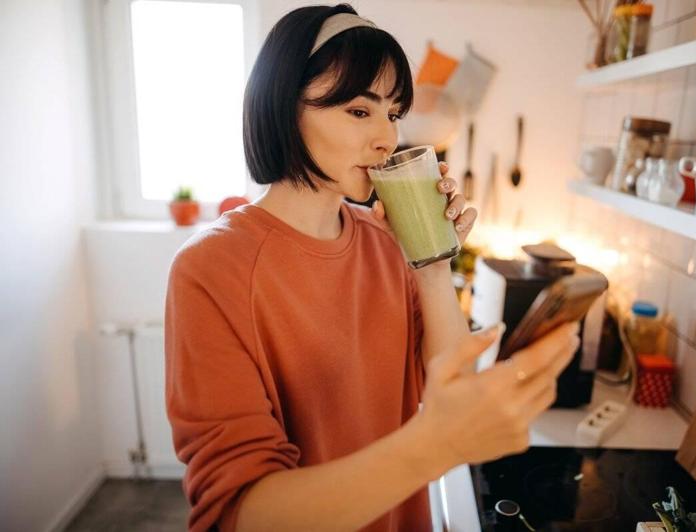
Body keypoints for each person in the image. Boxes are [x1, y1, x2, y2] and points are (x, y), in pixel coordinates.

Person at [164, 4, 579, 531]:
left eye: (393, 113)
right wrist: (436, 446)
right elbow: (242, 514)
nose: (387, 138)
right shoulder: (211, 268)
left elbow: (451, 381)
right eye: (360, 111)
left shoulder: (386, 246)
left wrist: (430, 261)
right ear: (283, 107)